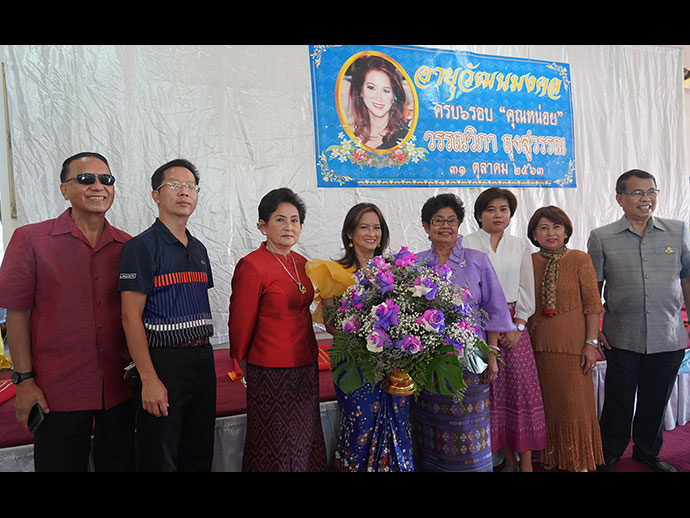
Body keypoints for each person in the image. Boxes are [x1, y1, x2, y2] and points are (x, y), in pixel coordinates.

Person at [0, 152, 134, 471]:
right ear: (64, 190)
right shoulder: (31, 240)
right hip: (56, 392)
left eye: (106, 179)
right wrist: (24, 381)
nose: (98, 186)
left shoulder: (128, 246)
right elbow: (16, 316)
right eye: (86, 179)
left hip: (118, 390)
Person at [588, 170, 690, 472]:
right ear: (620, 198)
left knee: (655, 400)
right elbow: (594, 290)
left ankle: (648, 452)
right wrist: (594, 331)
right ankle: (609, 452)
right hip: (621, 336)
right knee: (618, 400)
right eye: (637, 193)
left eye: (651, 191)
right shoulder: (602, 237)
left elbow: (687, 279)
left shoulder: (677, 231)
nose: (646, 198)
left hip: (668, 334)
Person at [119, 159, 216, 472]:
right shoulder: (140, 247)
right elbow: (130, 318)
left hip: (203, 360)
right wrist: (149, 379)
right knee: (160, 457)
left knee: (199, 452)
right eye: (174, 185)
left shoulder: (199, 249)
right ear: (156, 195)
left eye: (191, 187)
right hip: (163, 362)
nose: (184, 192)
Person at [306, 203, 413, 471]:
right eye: (364, 227)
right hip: (355, 364)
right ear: (350, 234)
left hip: (392, 365)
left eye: (376, 227)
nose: (371, 233)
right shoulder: (334, 272)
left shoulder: (396, 272)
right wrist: (365, 331)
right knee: (360, 425)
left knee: (398, 423)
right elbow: (331, 324)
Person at [413, 193, 514, 472]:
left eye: (452, 220)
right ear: (426, 226)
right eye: (438, 220)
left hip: (471, 362)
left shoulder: (477, 260)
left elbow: (494, 310)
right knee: (432, 431)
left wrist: (492, 356)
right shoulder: (415, 264)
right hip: (428, 363)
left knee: (470, 432)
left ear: (459, 225)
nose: (445, 226)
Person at [228, 187, 327, 472]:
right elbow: (240, 321)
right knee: (274, 441)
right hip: (269, 368)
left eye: (295, 220)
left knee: (305, 435)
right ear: (263, 226)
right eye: (280, 220)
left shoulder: (302, 263)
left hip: (306, 363)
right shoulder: (252, 265)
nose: (289, 227)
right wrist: (242, 363)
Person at [464, 188, 547, 472]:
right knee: (492, 392)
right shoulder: (467, 244)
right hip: (478, 324)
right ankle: (508, 460)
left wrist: (519, 325)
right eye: (490, 210)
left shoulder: (519, 245)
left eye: (503, 209)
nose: (497, 215)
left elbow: (526, 288)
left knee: (520, 392)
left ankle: (527, 463)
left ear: (510, 215)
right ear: (479, 215)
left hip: (513, 324)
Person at [527, 206, 604, 472]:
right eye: (544, 228)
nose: (551, 233)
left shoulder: (580, 259)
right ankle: (552, 456)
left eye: (556, 227)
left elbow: (593, 306)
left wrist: (591, 344)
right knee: (548, 406)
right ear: (534, 234)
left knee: (575, 407)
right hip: (538, 347)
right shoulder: (528, 261)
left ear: (566, 231)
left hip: (574, 348)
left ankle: (578, 460)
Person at [346, 54, 410, 150]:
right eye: (371, 88)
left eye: (386, 91)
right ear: (361, 91)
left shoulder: (406, 139)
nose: (379, 98)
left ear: (394, 97)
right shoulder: (348, 137)